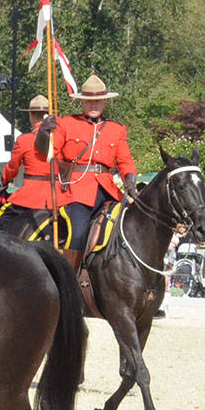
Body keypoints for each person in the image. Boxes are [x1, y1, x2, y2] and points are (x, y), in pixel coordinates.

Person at [38, 75, 136, 266]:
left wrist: (130, 181)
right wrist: (43, 134)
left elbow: (125, 161)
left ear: (105, 101)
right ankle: (70, 279)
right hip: (77, 192)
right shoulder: (66, 124)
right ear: (82, 101)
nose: (94, 105)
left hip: (109, 192)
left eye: (98, 101)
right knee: (79, 232)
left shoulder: (116, 129)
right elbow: (48, 153)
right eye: (89, 101)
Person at [0, 94, 70, 237]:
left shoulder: (24, 140)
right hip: (58, 197)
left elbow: (13, 168)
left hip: (29, 197)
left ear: (31, 116)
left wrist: (4, 181)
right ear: (50, 116)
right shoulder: (62, 140)